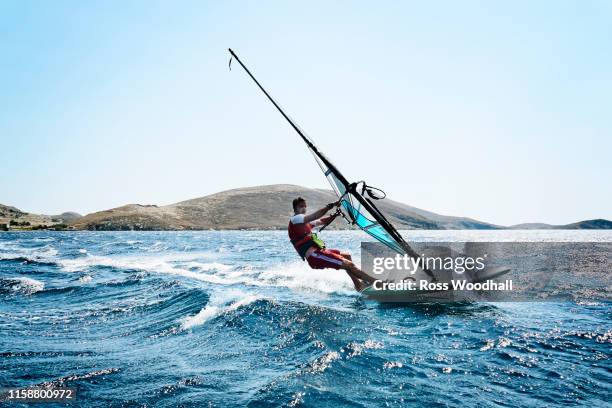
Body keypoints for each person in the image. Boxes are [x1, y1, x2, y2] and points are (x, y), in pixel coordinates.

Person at [288, 197, 376, 291]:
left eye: (305, 206)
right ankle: (377, 283)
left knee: (347, 256)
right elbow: (315, 216)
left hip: (319, 252)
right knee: (349, 265)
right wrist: (330, 206)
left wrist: (334, 215)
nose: (304, 208)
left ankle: (358, 285)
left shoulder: (304, 221)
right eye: (301, 206)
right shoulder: (296, 219)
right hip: (314, 256)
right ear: (295, 208)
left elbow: (321, 221)